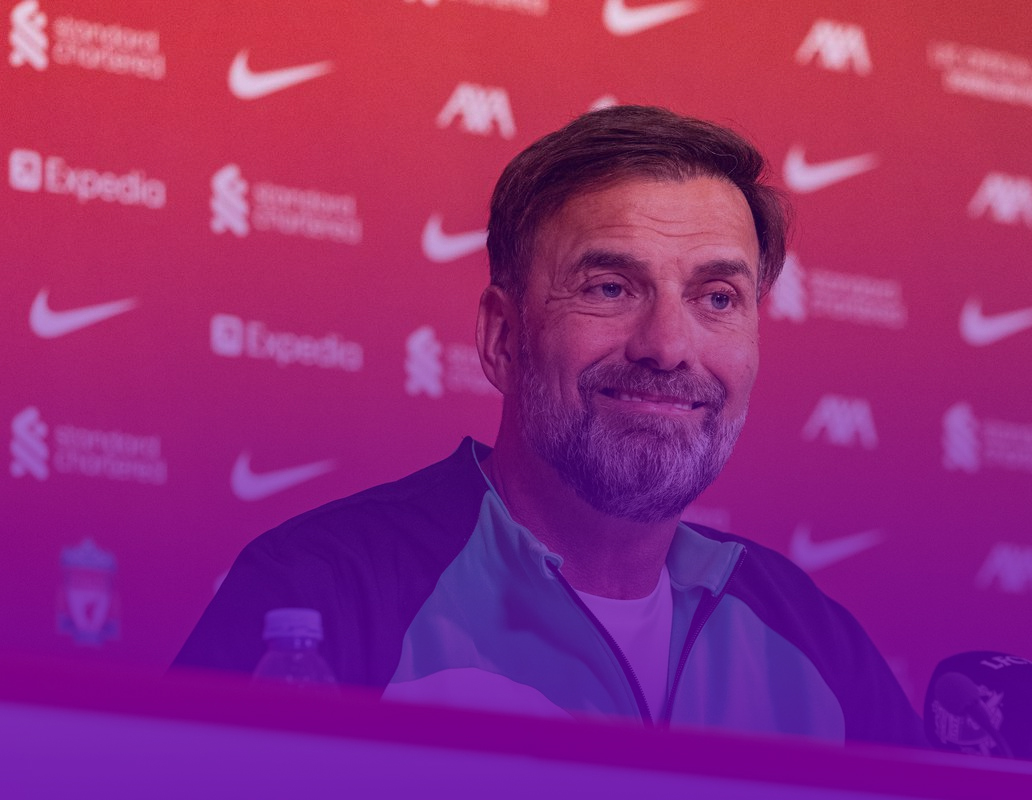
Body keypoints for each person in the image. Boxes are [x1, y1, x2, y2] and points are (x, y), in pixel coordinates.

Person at [174, 105, 925, 747]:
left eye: (718, 298)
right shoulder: (321, 593)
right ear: (504, 338)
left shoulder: (815, 639)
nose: (667, 346)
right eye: (610, 287)